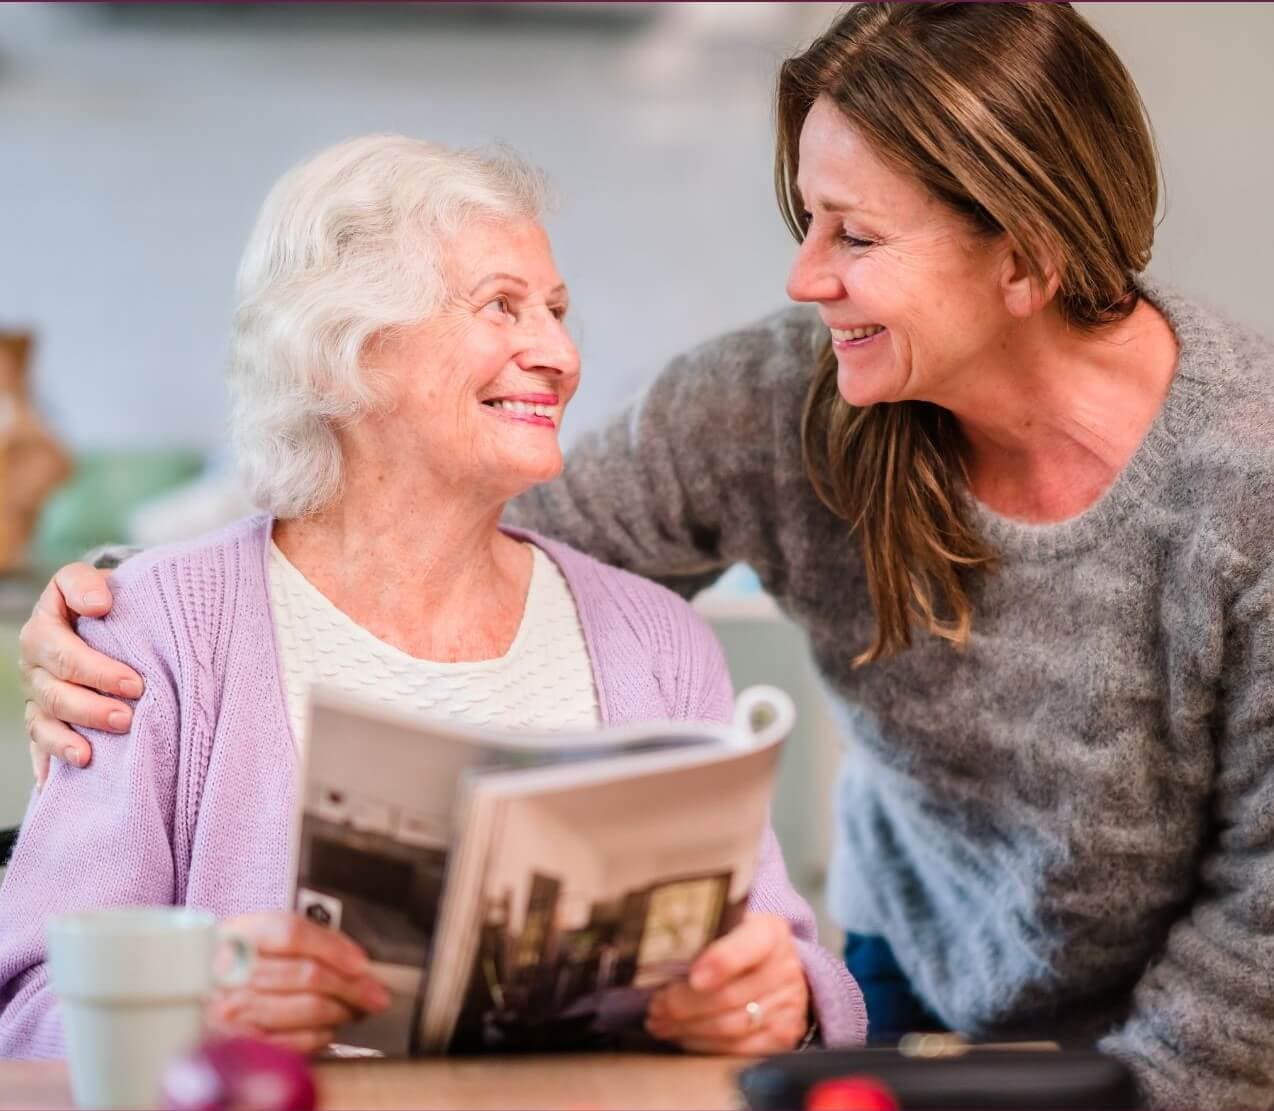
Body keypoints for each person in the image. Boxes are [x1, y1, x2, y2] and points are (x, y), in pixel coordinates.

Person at [16, 2, 1274, 1104]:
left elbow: (1260, 922)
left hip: (1209, 1023)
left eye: (852, 233)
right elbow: (429, 549)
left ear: (1023, 253)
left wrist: (775, 999)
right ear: (345, 349)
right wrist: (130, 608)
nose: (800, 276)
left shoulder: (1245, 479)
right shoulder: (771, 408)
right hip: (927, 971)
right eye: (808, 218)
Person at [0, 134, 866, 1059]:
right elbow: (27, 1001)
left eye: (558, 310)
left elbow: (789, 962)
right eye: (503, 306)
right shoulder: (156, 631)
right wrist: (190, 1008)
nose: (561, 354)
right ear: (341, 352)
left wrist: (779, 999)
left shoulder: (657, 636)